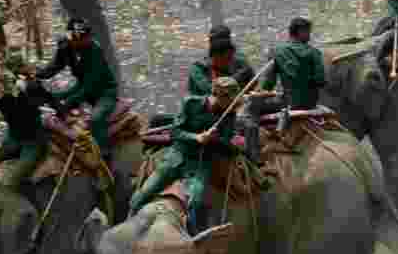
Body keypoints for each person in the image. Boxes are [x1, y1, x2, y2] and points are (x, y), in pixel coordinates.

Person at [128, 77, 246, 233]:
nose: (233, 105)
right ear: (219, 95)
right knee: (143, 193)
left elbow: (226, 142)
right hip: (176, 156)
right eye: (230, 100)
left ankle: (191, 236)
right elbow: (175, 132)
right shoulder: (190, 103)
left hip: (199, 164)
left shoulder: (229, 115)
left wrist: (216, 139)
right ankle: (128, 223)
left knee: (194, 201)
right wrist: (196, 137)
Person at [27, 16, 119, 158]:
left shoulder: (95, 52)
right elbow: (55, 66)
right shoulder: (65, 45)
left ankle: (105, 152)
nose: (87, 40)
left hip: (103, 91)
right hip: (81, 87)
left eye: (87, 37)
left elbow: (90, 86)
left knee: (96, 119)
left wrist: (67, 101)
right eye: (83, 38)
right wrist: (36, 75)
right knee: (52, 105)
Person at [0, 49, 54, 188]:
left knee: (11, 182)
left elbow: (45, 100)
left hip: (33, 141)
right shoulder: (2, 93)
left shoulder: (29, 87)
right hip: (14, 138)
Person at [257, 17, 326, 111]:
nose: (310, 36)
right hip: (311, 104)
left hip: (287, 103)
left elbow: (268, 83)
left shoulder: (276, 51)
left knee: (252, 107)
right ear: (301, 31)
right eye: (308, 32)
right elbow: (321, 80)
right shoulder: (315, 52)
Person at [187, 25, 256, 96]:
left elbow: (253, 81)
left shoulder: (239, 61)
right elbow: (209, 90)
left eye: (229, 57)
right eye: (225, 58)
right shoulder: (199, 68)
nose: (228, 61)